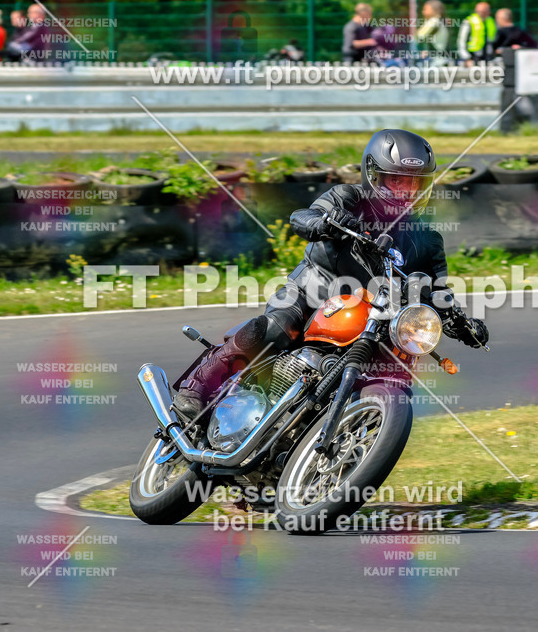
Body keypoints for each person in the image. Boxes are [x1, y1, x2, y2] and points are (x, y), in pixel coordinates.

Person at [172, 129, 490, 420]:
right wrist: (322, 222)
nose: (406, 190)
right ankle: (198, 384)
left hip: (374, 320)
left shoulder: (428, 239)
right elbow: (302, 217)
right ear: (373, 176)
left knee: (399, 364)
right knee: (274, 327)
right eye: (397, 180)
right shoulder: (347, 199)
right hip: (313, 293)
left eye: (414, 182)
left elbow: (436, 291)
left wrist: (459, 322)